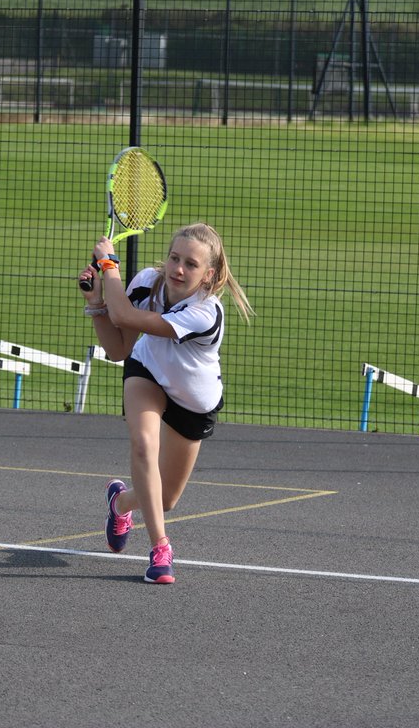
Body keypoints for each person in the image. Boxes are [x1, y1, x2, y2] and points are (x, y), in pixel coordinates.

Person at [78, 223, 253, 584]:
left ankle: (120, 504)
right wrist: (96, 302)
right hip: (148, 373)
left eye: (190, 264)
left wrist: (108, 265)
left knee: (166, 498)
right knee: (143, 445)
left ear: (210, 275)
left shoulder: (206, 313)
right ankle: (160, 548)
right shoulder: (146, 282)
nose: (178, 269)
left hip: (193, 403)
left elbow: (125, 315)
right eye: (174, 258)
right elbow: (118, 348)